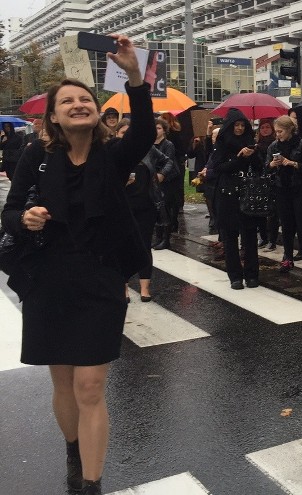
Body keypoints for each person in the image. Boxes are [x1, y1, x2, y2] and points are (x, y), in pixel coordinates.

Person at [0, 34, 154, 495]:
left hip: (100, 277)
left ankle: (90, 483)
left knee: (89, 385)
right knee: (63, 381)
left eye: (84, 98)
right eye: (66, 100)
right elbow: (9, 211)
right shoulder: (37, 157)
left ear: (95, 109)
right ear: (53, 115)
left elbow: (144, 132)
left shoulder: (113, 155)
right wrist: (24, 218)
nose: (77, 104)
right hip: (47, 277)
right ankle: (73, 447)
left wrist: (133, 77)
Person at [114, 118, 176, 302]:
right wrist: (118, 182)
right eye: (122, 133)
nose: (126, 137)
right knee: (121, 247)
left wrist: (161, 175)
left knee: (144, 246)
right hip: (121, 207)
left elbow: (168, 161)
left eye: (128, 133)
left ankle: (145, 288)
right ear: (116, 134)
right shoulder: (112, 152)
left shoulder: (146, 149)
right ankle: (123, 289)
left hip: (146, 205)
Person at [208, 108, 262, 289]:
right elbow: (218, 167)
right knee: (230, 237)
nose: (239, 129)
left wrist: (253, 155)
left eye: (242, 125)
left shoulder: (250, 142)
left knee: (250, 235)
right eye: (236, 125)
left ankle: (252, 274)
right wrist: (239, 158)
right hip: (227, 193)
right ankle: (235, 276)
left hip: (247, 192)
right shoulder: (222, 143)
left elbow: (259, 167)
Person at [267, 115, 302, 273]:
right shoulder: (274, 146)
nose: (278, 135)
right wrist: (272, 164)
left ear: (290, 130)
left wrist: (293, 163)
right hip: (282, 188)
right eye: (276, 132)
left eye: (280, 131)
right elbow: (266, 167)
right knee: (286, 226)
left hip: (299, 189)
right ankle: (288, 257)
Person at [151, 118, 179, 250]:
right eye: (154, 128)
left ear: (164, 130)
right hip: (154, 180)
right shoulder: (150, 144)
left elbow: (169, 161)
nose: (156, 131)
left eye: (159, 128)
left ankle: (166, 239)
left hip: (168, 180)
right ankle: (158, 237)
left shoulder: (168, 144)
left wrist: (162, 174)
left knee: (166, 208)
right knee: (156, 207)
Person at [255, 118, 278, 250]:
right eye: (262, 127)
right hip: (259, 180)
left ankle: (272, 239)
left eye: (267, 127)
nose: (265, 130)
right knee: (260, 211)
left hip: (272, 180)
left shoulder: (274, 145)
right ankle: (263, 237)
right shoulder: (257, 144)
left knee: (272, 212)